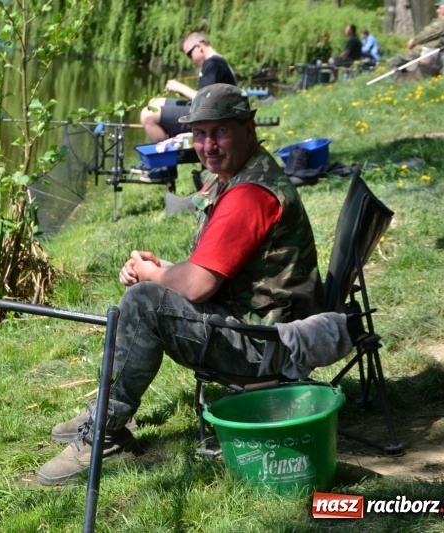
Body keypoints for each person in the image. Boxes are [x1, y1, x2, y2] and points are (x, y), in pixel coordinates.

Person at [37, 84, 325, 485]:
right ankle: (104, 414)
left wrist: (152, 277)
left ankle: (105, 434)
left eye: (219, 131)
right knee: (148, 293)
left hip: (264, 344)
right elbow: (214, 271)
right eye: (200, 133)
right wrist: (160, 268)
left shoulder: (249, 194)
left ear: (247, 127)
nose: (208, 145)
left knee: (144, 302)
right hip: (259, 324)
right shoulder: (237, 175)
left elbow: (198, 286)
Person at [140, 31, 237, 145]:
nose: (190, 59)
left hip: (211, 117)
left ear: (199, 46)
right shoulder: (216, 61)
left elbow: (203, 100)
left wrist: (179, 87)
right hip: (205, 111)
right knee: (154, 102)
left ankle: (166, 154)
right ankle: (168, 144)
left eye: (189, 54)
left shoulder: (213, 64)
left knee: (147, 115)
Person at [387, 0, 444, 71]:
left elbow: (428, 33)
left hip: (427, 50)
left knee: (393, 61)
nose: (437, 11)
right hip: (432, 50)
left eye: (439, 8)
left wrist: (414, 41)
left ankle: (391, 80)